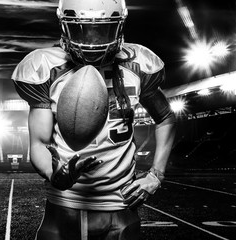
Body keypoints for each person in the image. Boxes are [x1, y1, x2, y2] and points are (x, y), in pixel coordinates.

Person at [11, 0, 176, 239]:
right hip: (64, 203)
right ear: (64, 25)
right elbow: (38, 142)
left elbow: (166, 117)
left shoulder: (137, 64)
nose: (91, 40)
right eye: (82, 29)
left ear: (119, 26)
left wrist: (156, 175)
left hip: (121, 204)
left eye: (102, 30)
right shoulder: (46, 67)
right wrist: (54, 172)